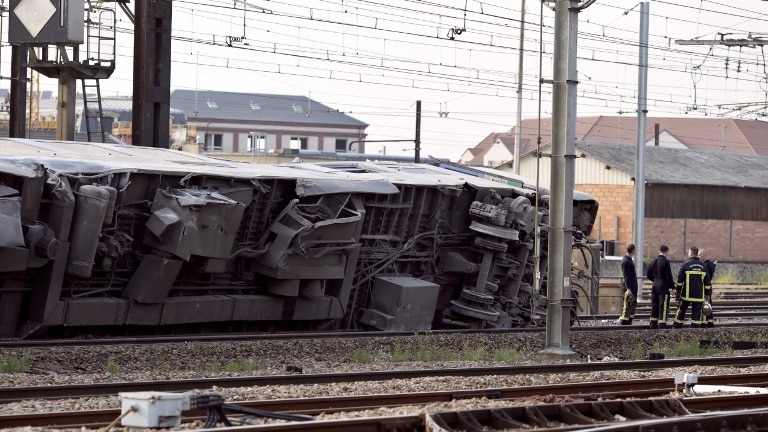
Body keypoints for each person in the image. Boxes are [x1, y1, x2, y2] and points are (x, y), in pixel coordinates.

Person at [672, 246, 712, 328]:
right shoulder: (703, 266)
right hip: (698, 296)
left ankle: (676, 328)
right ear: (697, 254)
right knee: (696, 314)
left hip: (686, 295)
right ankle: (695, 331)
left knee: (681, 311)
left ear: (690, 254)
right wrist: (707, 294)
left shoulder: (685, 265)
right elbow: (707, 283)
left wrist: (678, 293)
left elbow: (679, 282)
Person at [646, 245, 675, 329]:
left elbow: (648, 275)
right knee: (663, 305)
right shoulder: (665, 262)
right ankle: (662, 323)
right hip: (663, 286)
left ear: (659, 251)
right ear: (666, 252)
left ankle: (653, 323)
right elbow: (668, 276)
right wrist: (672, 287)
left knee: (654, 305)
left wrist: (655, 280)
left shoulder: (653, 261)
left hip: (654, 285)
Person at [619, 244, 637, 325]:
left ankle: (628, 321)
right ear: (633, 250)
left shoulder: (629, 260)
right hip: (629, 287)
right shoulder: (626, 261)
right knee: (627, 305)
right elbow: (626, 276)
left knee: (632, 305)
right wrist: (628, 289)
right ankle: (623, 322)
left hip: (632, 286)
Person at [699, 248, 717, 327]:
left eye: (699, 255)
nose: (698, 257)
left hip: (705, 287)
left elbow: (706, 278)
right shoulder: (710, 264)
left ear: (704, 255)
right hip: (708, 287)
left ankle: (705, 324)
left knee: (705, 305)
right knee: (708, 305)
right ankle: (709, 323)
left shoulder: (706, 265)